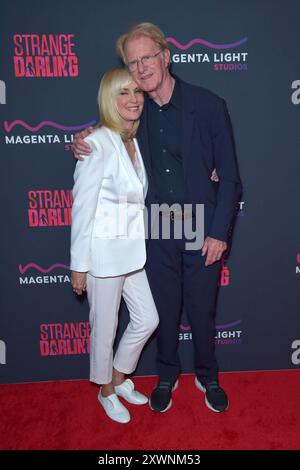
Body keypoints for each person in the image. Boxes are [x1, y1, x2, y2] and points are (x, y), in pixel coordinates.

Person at [72, 23, 241, 414]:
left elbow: (230, 176)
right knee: (162, 310)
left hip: (200, 222)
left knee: (202, 308)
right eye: (133, 62)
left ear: (166, 57)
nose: (141, 67)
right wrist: (81, 140)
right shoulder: (133, 111)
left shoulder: (208, 104)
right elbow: (104, 137)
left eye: (147, 57)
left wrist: (219, 232)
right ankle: (166, 375)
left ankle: (207, 375)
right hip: (154, 227)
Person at [70, 67, 159, 424]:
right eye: (123, 93)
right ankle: (105, 391)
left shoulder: (132, 140)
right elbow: (82, 206)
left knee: (147, 318)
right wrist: (79, 265)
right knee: (103, 329)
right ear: (110, 99)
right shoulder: (97, 143)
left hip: (132, 255)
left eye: (137, 92)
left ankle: (119, 376)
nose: (133, 99)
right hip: (103, 257)